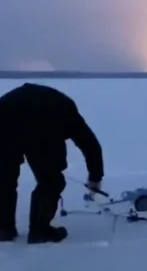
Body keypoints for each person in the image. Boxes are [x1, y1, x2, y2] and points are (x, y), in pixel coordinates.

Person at [0, 83, 104, 244]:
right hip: (32, 119)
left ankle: (4, 230)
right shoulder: (67, 113)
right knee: (51, 181)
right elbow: (90, 145)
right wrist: (95, 178)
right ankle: (40, 231)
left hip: (6, 117)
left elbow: (90, 146)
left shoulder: (63, 109)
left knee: (5, 179)